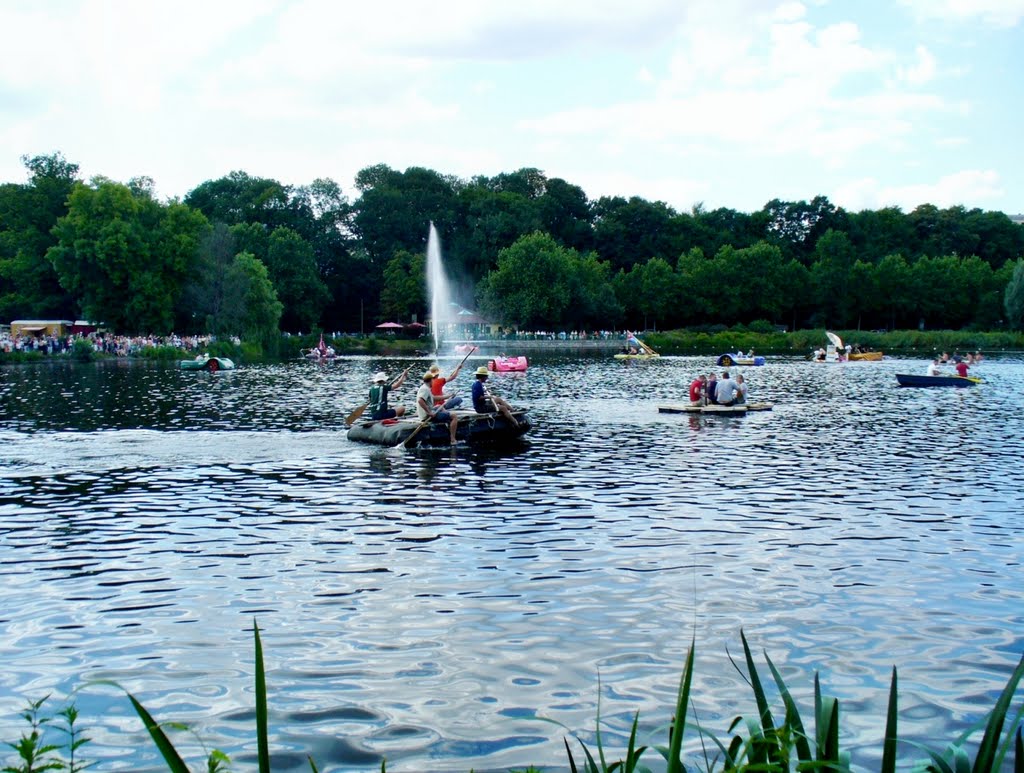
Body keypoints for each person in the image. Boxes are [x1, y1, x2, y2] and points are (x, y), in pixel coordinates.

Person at [416, 371, 459, 444]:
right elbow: (420, 400)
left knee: (439, 406)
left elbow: (434, 398)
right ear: (431, 380)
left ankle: (446, 417)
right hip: (427, 416)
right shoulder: (425, 389)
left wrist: (449, 396)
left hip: (429, 412)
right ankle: (453, 439)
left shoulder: (425, 387)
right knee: (454, 416)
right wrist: (429, 412)